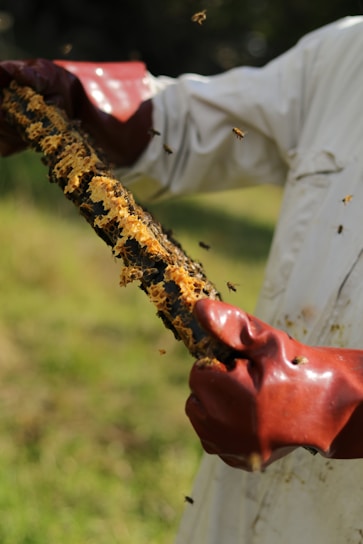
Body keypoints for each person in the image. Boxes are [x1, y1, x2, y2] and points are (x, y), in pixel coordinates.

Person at [1, 14, 363, 543]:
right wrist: (82, 97)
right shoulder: (348, 50)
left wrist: (339, 398)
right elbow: (196, 124)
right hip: (241, 498)